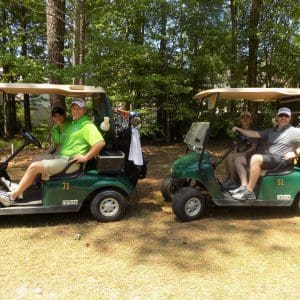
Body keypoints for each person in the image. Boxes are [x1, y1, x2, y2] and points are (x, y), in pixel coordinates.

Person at [0, 98, 105, 206]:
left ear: (84, 110)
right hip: (62, 158)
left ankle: (12, 196)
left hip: (70, 162)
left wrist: (86, 157)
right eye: (73, 108)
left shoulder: (87, 126)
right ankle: (29, 187)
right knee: (36, 161)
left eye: (78, 108)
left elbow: (100, 143)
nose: (75, 110)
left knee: (34, 167)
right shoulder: (75, 123)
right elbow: (59, 142)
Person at [231, 107, 300, 200]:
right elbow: (254, 134)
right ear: (277, 117)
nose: (283, 117)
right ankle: (244, 186)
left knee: (256, 158)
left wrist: (295, 153)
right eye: (281, 115)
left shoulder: (294, 131)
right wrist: (239, 129)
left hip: (281, 160)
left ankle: (249, 191)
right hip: (270, 159)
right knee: (238, 159)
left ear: (290, 118)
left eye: (286, 116)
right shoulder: (271, 131)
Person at [222, 111, 258, 189]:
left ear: (250, 119)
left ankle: (233, 181)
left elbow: (254, 147)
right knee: (228, 156)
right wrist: (235, 151)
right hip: (243, 153)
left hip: (251, 154)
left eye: (247, 117)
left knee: (232, 157)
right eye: (243, 117)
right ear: (240, 119)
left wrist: (243, 153)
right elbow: (237, 144)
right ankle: (230, 177)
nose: (245, 119)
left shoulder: (253, 131)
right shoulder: (239, 131)